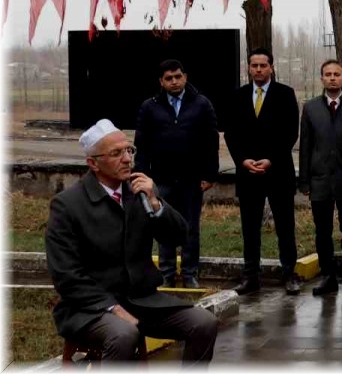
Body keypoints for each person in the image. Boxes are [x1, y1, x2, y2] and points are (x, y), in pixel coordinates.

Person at [47, 120, 218, 364]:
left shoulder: (139, 193)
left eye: (129, 150)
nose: (127, 159)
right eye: (116, 153)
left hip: (141, 301)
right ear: (93, 163)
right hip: (89, 308)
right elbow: (66, 275)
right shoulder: (68, 205)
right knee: (124, 334)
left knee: (204, 323)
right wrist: (112, 308)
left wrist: (156, 203)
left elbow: (179, 237)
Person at [134, 59, 218, 289]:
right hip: (160, 180)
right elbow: (142, 145)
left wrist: (210, 174)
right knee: (163, 227)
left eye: (178, 76)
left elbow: (211, 142)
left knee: (190, 228)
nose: (174, 81)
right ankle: (167, 273)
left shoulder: (201, 104)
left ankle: (190, 273)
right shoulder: (149, 107)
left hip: (191, 180)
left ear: (185, 77)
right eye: (169, 78)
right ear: (161, 81)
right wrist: (141, 177)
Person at [225, 47, 301, 296]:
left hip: (277, 172)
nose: (258, 69)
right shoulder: (238, 96)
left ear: (271, 67)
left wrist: (271, 159)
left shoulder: (285, 94)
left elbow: (290, 132)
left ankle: (289, 273)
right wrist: (243, 160)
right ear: (248, 67)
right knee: (250, 228)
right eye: (254, 65)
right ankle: (250, 276)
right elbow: (232, 134)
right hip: (248, 174)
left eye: (263, 65)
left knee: (285, 227)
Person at [299, 59, 342, 297]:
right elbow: (306, 146)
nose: (332, 78)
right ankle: (328, 275)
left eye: (336, 74)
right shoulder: (310, 108)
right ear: (322, 78)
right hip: (320, 181)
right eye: (327, 74)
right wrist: (305, 181)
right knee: (322, 231)